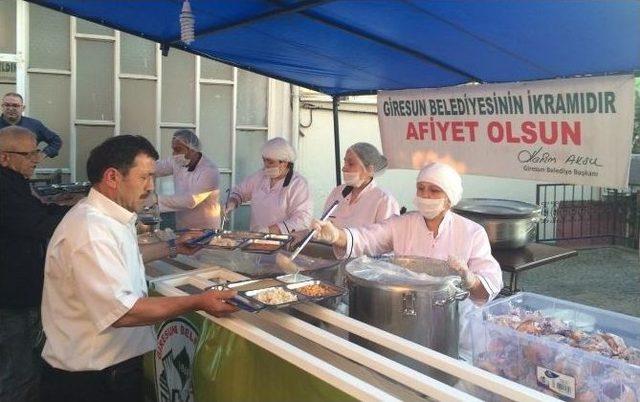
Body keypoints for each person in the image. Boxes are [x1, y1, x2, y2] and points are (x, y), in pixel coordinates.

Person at [40, 135, 238, 402]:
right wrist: (200, 301)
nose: (150, 187)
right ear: (112, 177)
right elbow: (124, 313)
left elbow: (124, 258)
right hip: (92, 380)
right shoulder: (91, 230)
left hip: (112, 369)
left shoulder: (110, 218)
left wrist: (173, 247)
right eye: (144, 177)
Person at [312, 162, 503, 358]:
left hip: (453, 326)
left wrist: (469, 279)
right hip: (406, 320)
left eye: (434, 191)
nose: (425, 195)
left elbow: (489, 284)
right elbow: (369, 237)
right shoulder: (403, 224)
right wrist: (336, 235)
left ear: (449, 198)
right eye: (421, 188)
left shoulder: (471, 232)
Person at [0, 126, 71, 402]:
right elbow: (39, 223)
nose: (36, 159)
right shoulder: (5, 190)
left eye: (37, 152)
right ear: (5, 158)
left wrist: (76, 208)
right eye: (29, 154)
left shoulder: (15, 183)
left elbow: (40, 211)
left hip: (21, 296)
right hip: (11, 301)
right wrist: (90, 215)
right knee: (19, 375)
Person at [225, 137, 312, 234]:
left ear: (284, 163)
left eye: (270, 162)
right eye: (264, 160)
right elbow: (240, 191)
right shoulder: (260, 176)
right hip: (256, 238)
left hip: (285, 242)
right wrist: (232, 201)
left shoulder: (298, 184)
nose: (266, 165)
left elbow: (303, 220)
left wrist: (270, 230)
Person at [154, 129, 221, 230]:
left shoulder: (209, 171)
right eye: (173, 149)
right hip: (182, 226)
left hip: (206, 228)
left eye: (178, 149)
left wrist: (154, 200)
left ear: (192, 149)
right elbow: (155, 168)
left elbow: (190, 200)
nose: (174, 154)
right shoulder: (177, 162)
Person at [323, 142, 399, 228]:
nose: (344, 168)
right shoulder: (337, 192)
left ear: (370, 169)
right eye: (345, 163)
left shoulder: (384, 200)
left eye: (351, 164)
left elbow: (387, 238)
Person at [0, 92, 62, 158]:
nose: (10, 109)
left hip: (25, 167)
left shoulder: (34, 125)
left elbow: (56, 141)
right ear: (2, 107)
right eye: (7, 105)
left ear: (23, 108)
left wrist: (43, 154)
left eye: (15, 105)